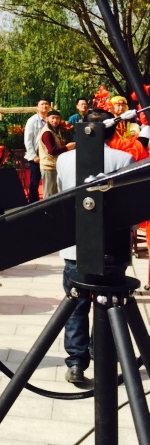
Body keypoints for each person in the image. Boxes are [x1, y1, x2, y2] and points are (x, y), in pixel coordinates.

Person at [56, 110, 133, 384]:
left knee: (75, 306)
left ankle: (76, 362)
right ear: (112, 131)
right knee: (110, 306)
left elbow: (61, 197)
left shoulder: (64, 159)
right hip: (113, 247)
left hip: (74, 245)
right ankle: (102, 357)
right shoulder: (124, 159)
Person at [37, 110, 75, 198]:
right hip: (49, 167)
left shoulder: (53, 131)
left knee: (55, 193)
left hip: (54, 166)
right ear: (47, 119)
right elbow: (52, 151)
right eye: (53, 118)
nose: (55, 120)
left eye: (57, 118)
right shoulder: (47, 133)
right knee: (49, 194)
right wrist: (67, 147)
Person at [23, 99, 50, 203]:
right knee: (35, 181)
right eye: (42, 104)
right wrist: (33, 155)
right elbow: (28, 140)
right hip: (36, 155)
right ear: (37, 107)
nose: (44, 106)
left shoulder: (51, 119)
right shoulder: (32, 120)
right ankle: (33, 203)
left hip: (48, 154)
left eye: (46, 104)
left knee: (49, 179)